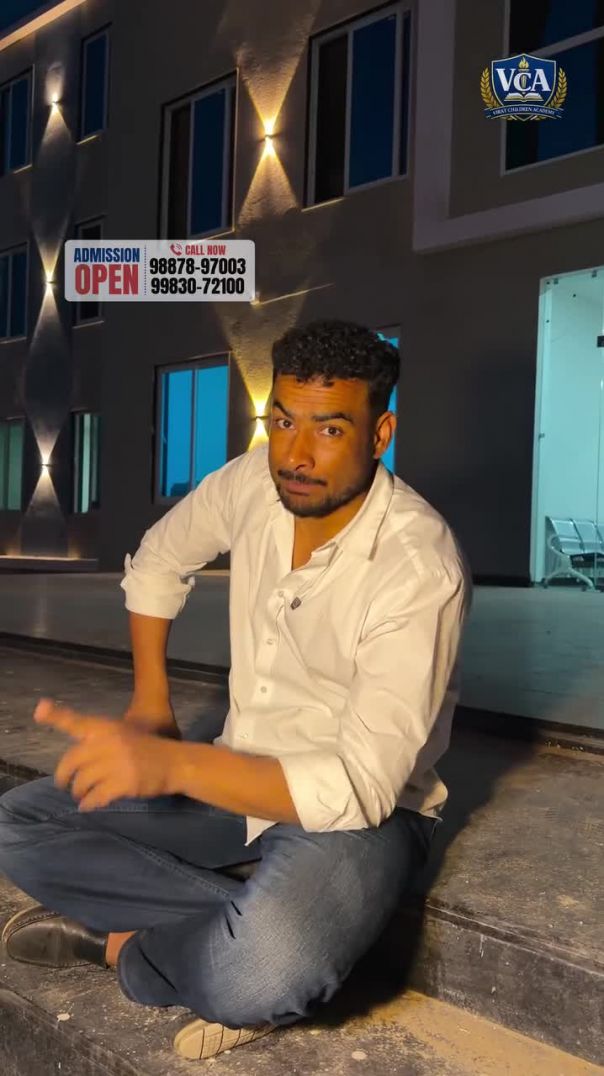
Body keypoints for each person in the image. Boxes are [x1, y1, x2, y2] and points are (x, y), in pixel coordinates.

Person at [0, 320, 470, 1061]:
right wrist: (151, 702)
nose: (295, 454)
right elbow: (158, 561)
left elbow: (360, 785)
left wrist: (174, 766)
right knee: (17, 825)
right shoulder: (255, 481)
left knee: (262, 968)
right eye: (283, 421)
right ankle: (275, 929)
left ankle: (128, 949)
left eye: (329, 429)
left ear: (380, 434)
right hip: (235, 772)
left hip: (363, 816)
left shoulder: (418, 565)